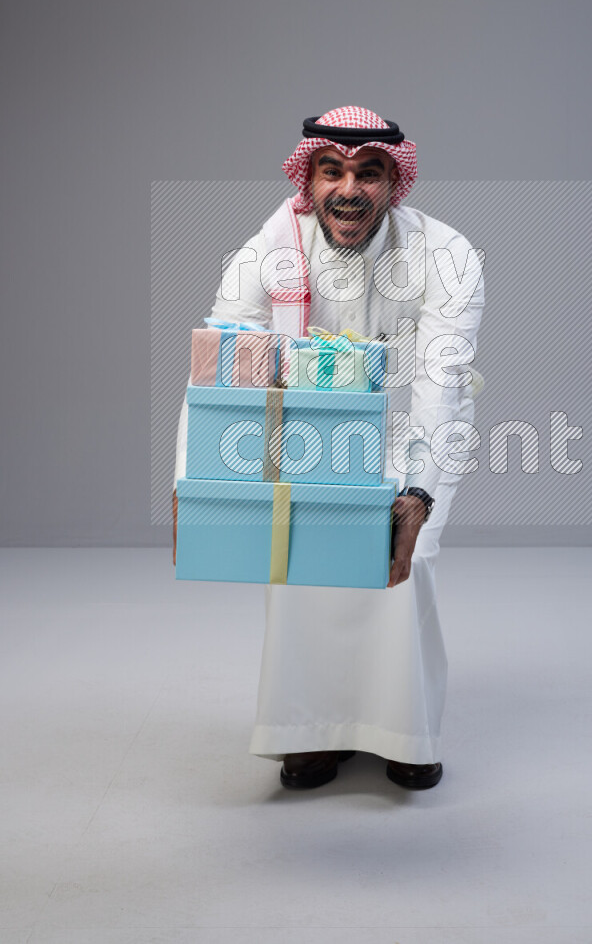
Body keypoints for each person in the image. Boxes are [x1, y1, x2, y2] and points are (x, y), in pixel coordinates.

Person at [172, 106, 485, 790]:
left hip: (412, 429)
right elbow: (220, 357)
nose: (349, 189)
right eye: (332, 171)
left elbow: (441, 376)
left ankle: (408, 735)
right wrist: (189, 478)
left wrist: (419, 490)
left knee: (404, 568)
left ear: (393, 183)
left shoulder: (447, 253)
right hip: (307, 427)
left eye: (368, 173)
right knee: (303, 569)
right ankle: (308, 733)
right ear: (309, 178)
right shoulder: (269, 249)